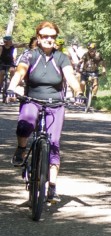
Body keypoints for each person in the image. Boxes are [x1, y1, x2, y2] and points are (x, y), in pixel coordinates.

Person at [6, 21, 84, 201]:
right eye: (45, 36)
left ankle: (52, 186)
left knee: (54, 143)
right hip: (32, 100)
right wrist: (11, 88)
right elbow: (20, 72)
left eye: (53, 36)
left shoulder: (61, 58)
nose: (49, 39)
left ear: (56, 39)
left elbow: (70, 77)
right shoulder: (29, 55)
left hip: (56, 104)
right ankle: (21, 149)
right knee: (25, 124)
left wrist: (78, 92)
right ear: (38, 38)